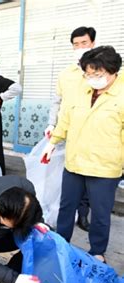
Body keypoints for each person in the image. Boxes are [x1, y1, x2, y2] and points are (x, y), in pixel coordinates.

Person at [42, 46, 124, 263]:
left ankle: (97, 251)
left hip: (105, 167)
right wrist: (53, 143)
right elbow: (66, 119)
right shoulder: (82, 90)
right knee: (66, 207)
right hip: (75, 162)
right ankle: (61, 244)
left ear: (113, 70)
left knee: (100, 213)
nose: (92, 79)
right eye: (88, 74)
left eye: (97, 75)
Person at [44, 26, 96, 232]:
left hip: (92, 132)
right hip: (66, 130)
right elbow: (57, 101)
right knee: (66, 173)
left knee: (89, 176)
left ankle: (83, 214)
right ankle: (61, 215)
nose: (80, 47)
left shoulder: (102, 72)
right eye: (76, 44)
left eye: (84, 43)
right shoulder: (66, 74)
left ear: (92, 43)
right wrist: (51, 123)